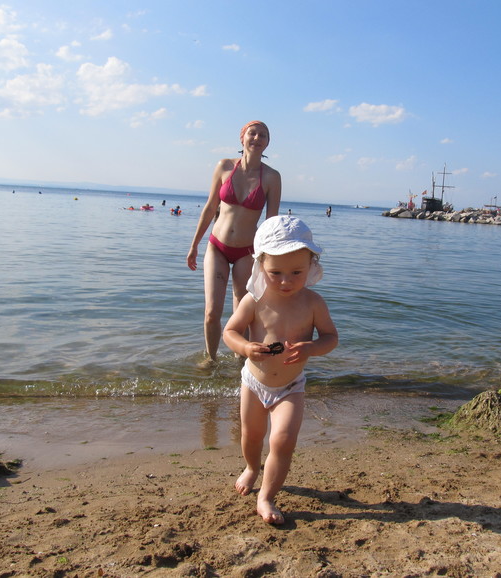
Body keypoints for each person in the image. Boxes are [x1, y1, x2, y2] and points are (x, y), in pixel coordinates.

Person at [223, 215, 338, 524]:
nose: (286, 281)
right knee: (251, 435)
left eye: (296, 272)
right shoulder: (254, 300)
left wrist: (312, 347)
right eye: (276, 273)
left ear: (311, 265)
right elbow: (229, 332)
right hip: (254, 382)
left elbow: (331, 338)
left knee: (283, 440)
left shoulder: (313, 303)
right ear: (261, 265)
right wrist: (246, 348)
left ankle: (266, 496)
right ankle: (251, 467)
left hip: (290, 386)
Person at [187, 121, 281, 364]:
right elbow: (210, 208)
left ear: (267, 142)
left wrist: (270, 260)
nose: (257, 138)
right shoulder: (224, 167)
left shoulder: (272, 177)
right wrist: (194, 245)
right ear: (242, 138)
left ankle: (242, 363)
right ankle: (211, 360)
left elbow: (271, 222)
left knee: (242, 314)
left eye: (263, 135)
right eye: (252, 133)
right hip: (217, 246)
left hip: (247, 252)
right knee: (212, 312)